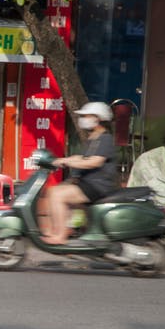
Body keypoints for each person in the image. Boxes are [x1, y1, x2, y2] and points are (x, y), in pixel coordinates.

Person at [42, 101, 118, 245]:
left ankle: (61, 235)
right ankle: (59, 229)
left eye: (86, 116)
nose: (83, 119)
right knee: (52, 191)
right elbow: (81, 158)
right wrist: (62, 160)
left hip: (98, 186)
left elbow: (94, 162)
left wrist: (69, 162)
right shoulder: (93, 138)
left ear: (97, 118)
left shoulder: (105, 139)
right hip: (88, 183)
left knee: (59, 195)